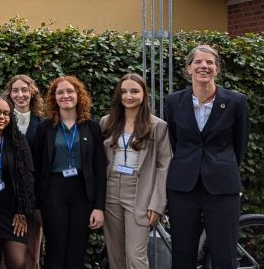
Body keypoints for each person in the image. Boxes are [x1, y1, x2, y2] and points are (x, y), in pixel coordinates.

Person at [165, 45, 249, 269]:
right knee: (182, 254)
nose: (204, 66)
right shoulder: (174, 101)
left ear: (217, 69)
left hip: (222, 188)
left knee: (224, 255)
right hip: (183, 188)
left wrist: (220, 167)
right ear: (189, 69)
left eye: (210, 62)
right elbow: (174, 141)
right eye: (198, 62)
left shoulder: (235, 101)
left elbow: (239, 144)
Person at [32, 76, 107, 269]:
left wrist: (99, 207)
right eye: (60, 92)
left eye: (70, 91)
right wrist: (36, 205)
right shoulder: (45, 127)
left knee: (77, 252)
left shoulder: (91, 127)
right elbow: (37, 167)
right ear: (54, 98)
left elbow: (99, 168)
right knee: (55, 251)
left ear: (78, 95)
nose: (66, 95)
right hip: (53, 192)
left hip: (82, 192)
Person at [100, 74, 171, 269]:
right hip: (111, 190)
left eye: (134, 91)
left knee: (135, 256)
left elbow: (164, 166)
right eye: (123, 92)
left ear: (144, 94)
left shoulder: (157, 126)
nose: (128, 96)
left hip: (139, 193)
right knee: (115, 255)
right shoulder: (107, 122)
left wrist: (157, 204)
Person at [0, 96, 36, 269]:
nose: (1, 117)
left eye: (6, 113)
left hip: (13, 212)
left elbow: (28, 177)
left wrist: (22, 210)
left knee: (17, 261)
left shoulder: (16, 141)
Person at [4, 74, 45, 269]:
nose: (20, 95)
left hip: (33, 196)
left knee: (32, 251)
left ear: (32, 93)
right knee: (6, 254)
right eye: (15, 90)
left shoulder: (42, 124)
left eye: (24, 90)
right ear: (9, 95)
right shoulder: (2, 122)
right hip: (6, 197)